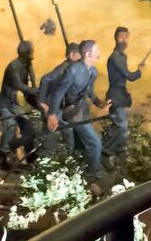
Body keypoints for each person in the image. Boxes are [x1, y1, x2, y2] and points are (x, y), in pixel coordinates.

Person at [45, 40, 108, 185]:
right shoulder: (72, 70)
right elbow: (59, 93)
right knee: (95, 144)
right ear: (87, 54)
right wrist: (52, 114)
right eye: (96, 50)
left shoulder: (93, 71)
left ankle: (77, 175)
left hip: (82, 111)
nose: (99, 53)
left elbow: (90, 92)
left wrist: (100, 103)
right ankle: (93, 176)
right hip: (72, 113)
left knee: (79, 146)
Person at [102, 27, 144, 164]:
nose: (124, 40)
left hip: (121, 95)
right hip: (115, 96)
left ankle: (118, 155)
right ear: (116, 38)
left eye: (126, 37)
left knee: (121, 128)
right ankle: (106, 152)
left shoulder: (122, 56)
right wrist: (139, 71)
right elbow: (129, 76)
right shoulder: (115, 57)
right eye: (121, 36)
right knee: (121, 127)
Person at [0, 41, 38, 170]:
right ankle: (4, 156)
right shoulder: (13, 66)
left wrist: (36, 103)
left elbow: (25, 93)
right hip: (4, 103)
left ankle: (30, 158)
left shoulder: (25, 66)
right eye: (31, 51)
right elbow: (18, 85)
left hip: (13, 104)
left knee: (28, 127)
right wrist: (35, 90)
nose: (33, 53)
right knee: (10, 125)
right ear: (25, 53)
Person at [37, 43, 83, 159]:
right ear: (72, 55)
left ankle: (69, 161)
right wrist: (42, 102)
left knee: (67, 133)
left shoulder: (72, 68)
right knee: (51, 136)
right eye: (80, 54)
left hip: (58, 107)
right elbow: (45, 79)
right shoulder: (64, 68)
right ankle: (43, 164)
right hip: (52, 107)